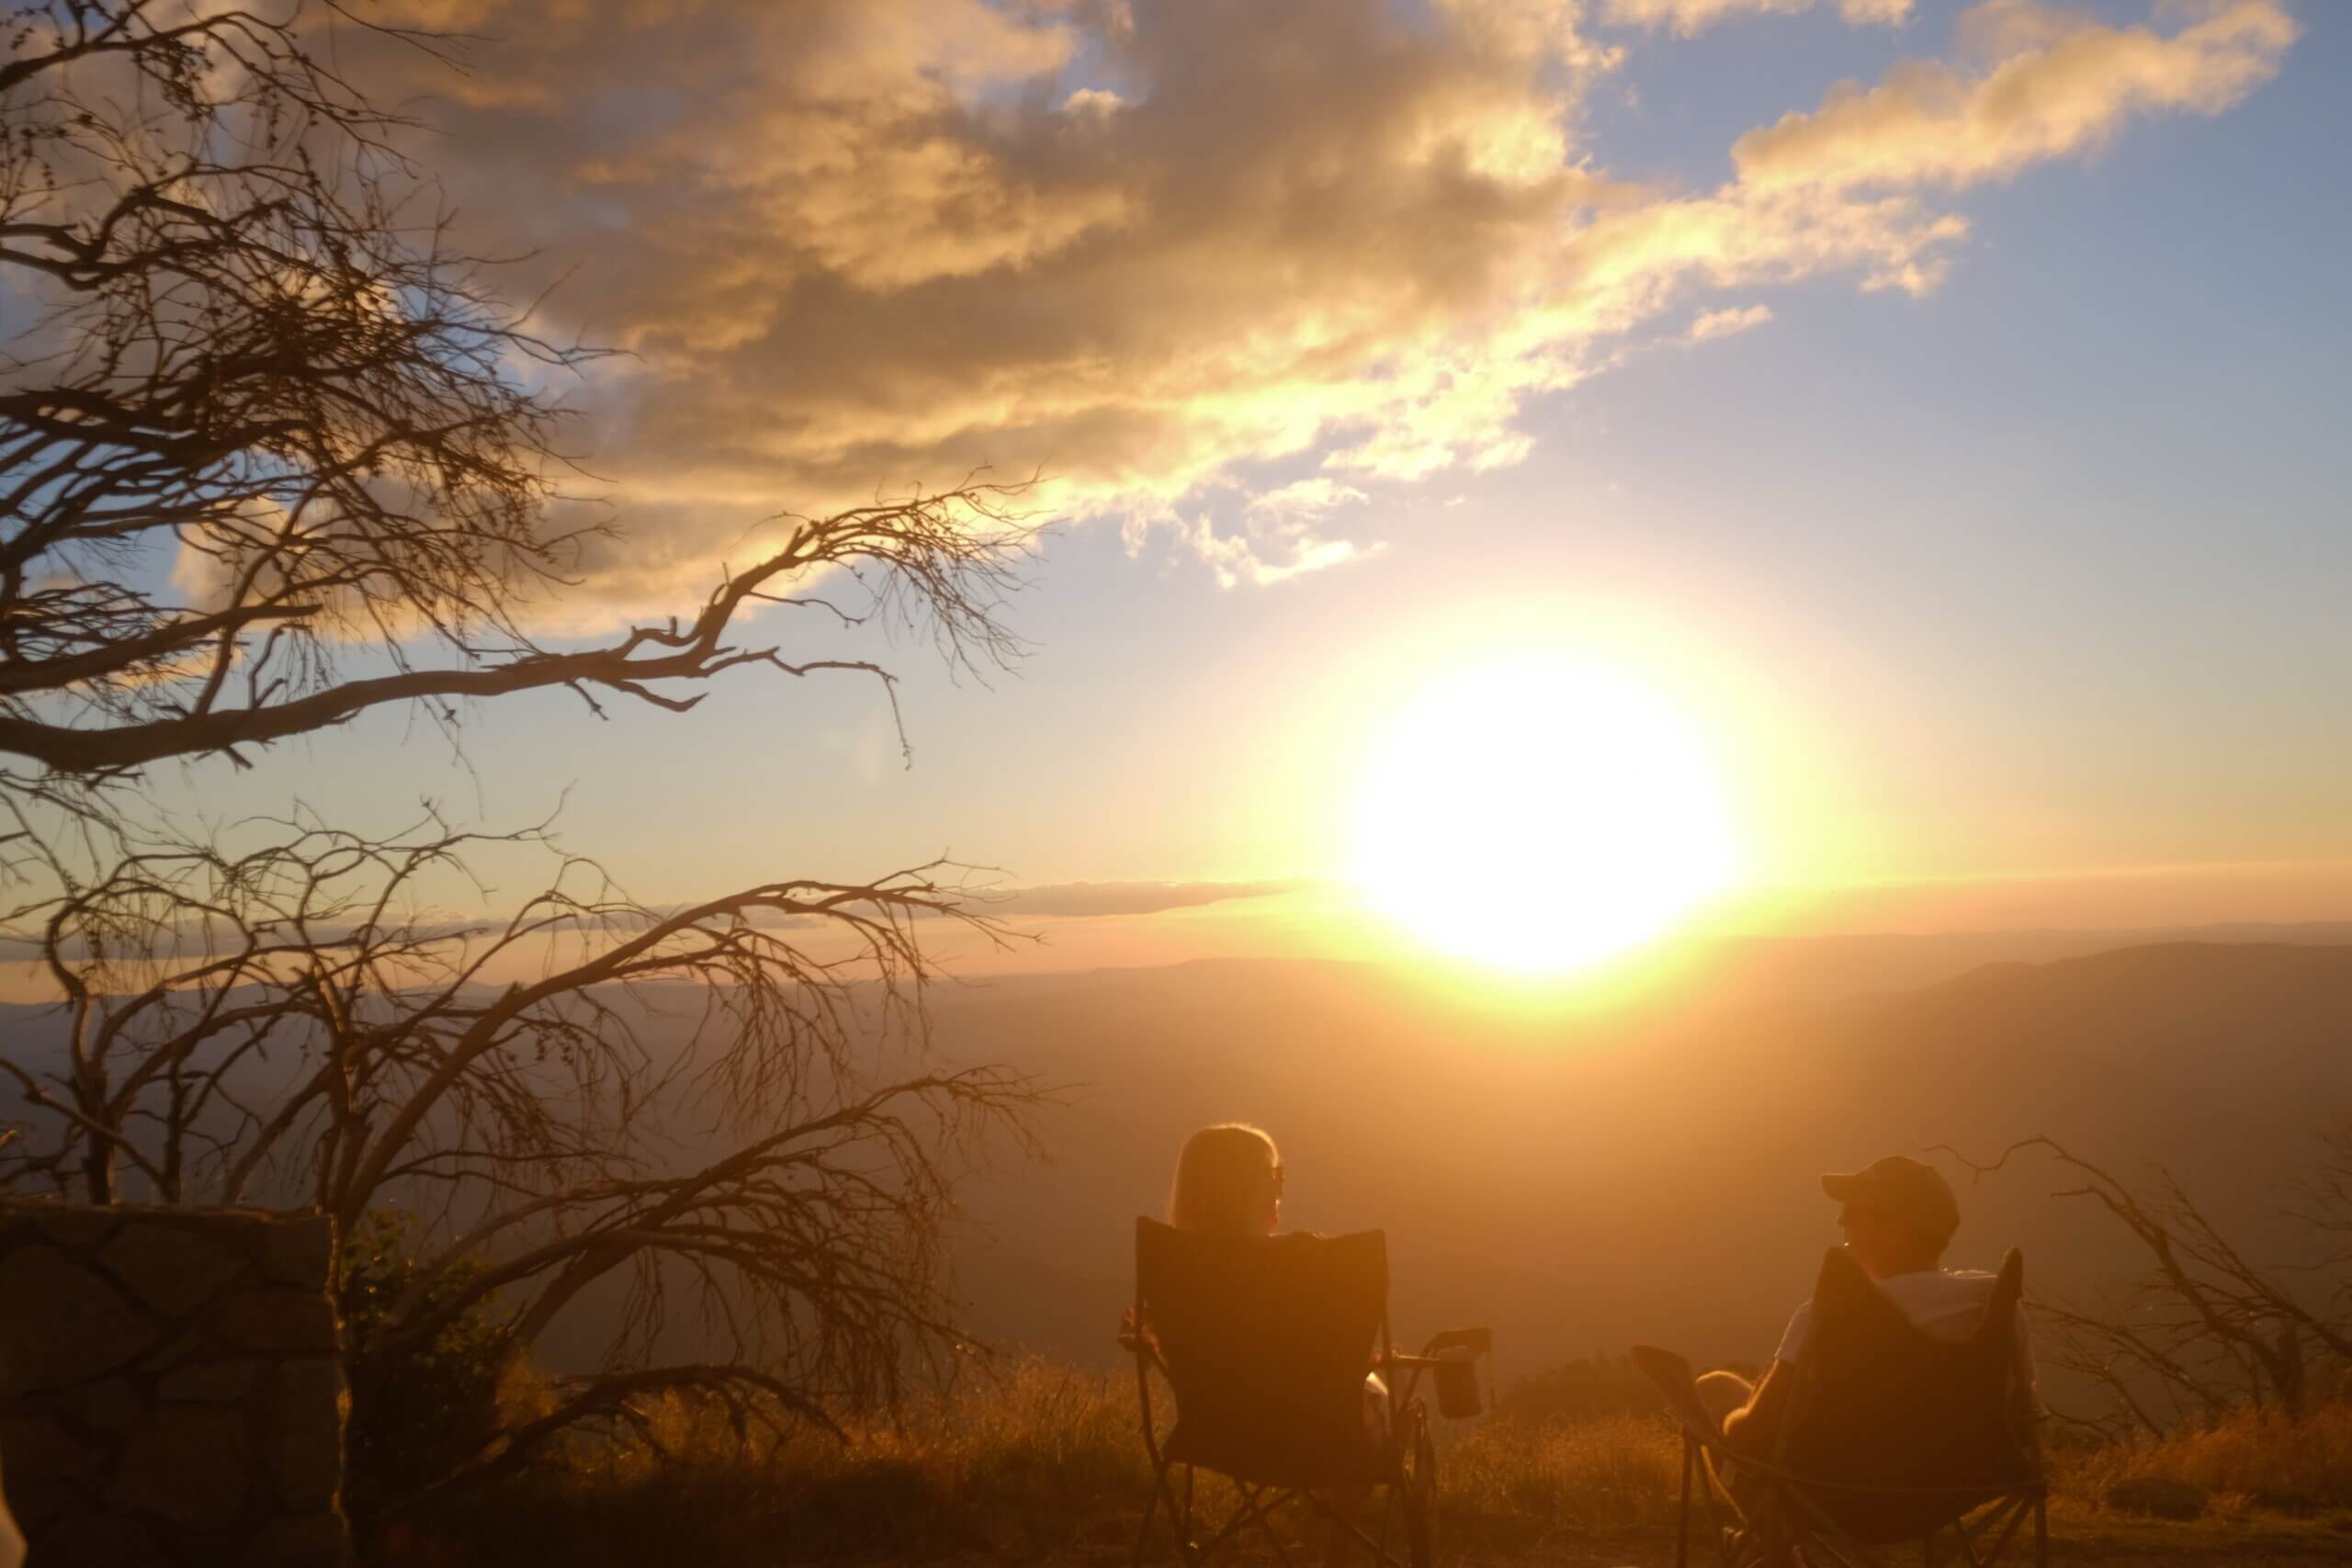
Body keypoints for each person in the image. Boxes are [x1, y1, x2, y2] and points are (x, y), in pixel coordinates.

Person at [1697, 1155, 2040, 1558]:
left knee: (1713, 1390)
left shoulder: (1832, 1314)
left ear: (1893, 1231)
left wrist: (1726, 1427)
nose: (1841, 1223)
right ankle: (1761, 1543)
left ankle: (1775, 1549)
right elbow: (2025, 1415)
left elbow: (1756, 1431)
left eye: (1853, 1212)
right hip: (1955, 1489)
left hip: (1840, 1498)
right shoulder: (1993, 1303)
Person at [1144, 1122, 1385, 1568]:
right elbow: (1329, 1353)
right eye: (1276, 1177)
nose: (1280, 1188)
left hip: (1215, 1435)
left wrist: (1151, 1345)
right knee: (1374, 1394)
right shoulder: (1311, 1260)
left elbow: (1199, 1363)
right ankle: (1334, 1550)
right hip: (1321, 1436)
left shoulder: (1177, 1275)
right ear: (1257, 1188)